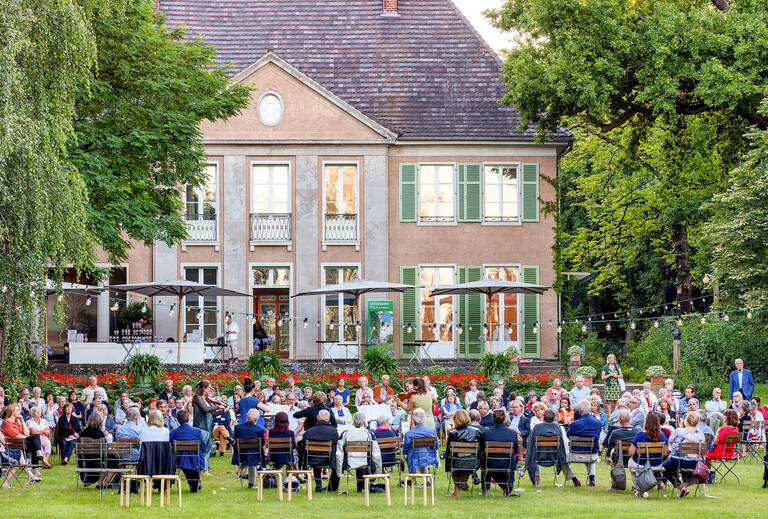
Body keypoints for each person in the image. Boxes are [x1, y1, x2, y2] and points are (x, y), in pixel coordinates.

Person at [525, 409, 577, 486]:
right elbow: (561, 445)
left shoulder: (537, 427)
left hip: (539, 457)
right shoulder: (557, 427)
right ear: (553, 418)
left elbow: (530, 444)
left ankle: (538, 482)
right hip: (554, 457)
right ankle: (573, 479)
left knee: (534, 453)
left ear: (543, 417)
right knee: (561, 456)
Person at [662, 411, 706, 498]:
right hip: (695, 462)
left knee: (663, 468)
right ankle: (684, 487)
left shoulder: (679, 431)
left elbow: (670, 444)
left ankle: (680, 486)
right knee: (684, 468)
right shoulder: (701, 433)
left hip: (678, 460)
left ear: (686, 420)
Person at [336, 412, 383, 494]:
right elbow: (376, 453)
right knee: (365, 459)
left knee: (359, 459)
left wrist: (339, 471)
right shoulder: (369, 434)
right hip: (366, 461)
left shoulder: (345, 433)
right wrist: (378, 471)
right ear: (364, 422)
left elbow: (339, 452)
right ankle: (368, 485)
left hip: (349, 462)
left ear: (353, 421)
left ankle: (360, 487)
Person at [628, 411, 668, 497]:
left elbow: (631, 452)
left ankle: (639, 488)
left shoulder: (640, 435)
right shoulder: (662, 435)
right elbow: (665, 453)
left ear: (646, 422)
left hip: (641, 463)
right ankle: (652, 484)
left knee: (630, 463)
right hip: (656, 463)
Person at [479, 409, 518, 496]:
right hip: (507, 463)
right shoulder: (512, 433)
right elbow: (515, 450)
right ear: (504, 419)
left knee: (485, 460)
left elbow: (481, 449)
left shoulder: (486, 433)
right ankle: (506, 490)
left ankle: (485, 491)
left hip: (490, 463)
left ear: (493, 419)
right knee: (511, 459)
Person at [192, 380, 227, 475]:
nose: (210, 389)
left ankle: (205, 470)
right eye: (209, 387)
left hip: (207, 427)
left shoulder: (205, 399)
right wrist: (217, 405)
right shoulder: (197, 398)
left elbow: (212, 414)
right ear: (203, 388)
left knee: (207, 448)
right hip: (200, 426)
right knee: (202, 449)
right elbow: (206, 409)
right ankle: (199, 469)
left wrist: (224, 410)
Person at [301, 409, 340, 492]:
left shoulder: (308, 432)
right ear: (329, 419)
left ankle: (318, 484)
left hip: (311, 460)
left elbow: (301, 446)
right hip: (328, 461)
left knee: (316, 456)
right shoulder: (333, 432)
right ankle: (332, 486)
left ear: (317, 418)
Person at [444, 409, 480, 498]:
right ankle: (463, 482)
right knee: (465, 463)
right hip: (473, 463)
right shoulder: (476, 431)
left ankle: (457, 491)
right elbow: (481, 449)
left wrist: (448, 467)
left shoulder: (453, 433)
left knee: (456, 464)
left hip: (457, 463)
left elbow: (449, 451)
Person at [2, 404, 49, 469]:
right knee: (35, 439)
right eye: (18, 410)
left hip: (21, 443)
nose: (20, 411)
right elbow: (18, 436)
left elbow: (27, 433)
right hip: (13, 445)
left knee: (35, 443)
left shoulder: (17, 420)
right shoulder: (6, 422)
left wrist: (22, 421)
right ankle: (39, 456)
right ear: (12, 411)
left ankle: (37, 465)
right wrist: (31, 438)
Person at [567, 400, 602, 486]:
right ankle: (592, 479)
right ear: (590, 409)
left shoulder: (575, 424)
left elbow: (568, 435)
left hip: (576, 455)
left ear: (579, 410)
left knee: (561, 459)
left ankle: (574, 480)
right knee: (590, 449)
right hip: (592, 455)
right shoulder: (598, 423)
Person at [168, 410, 204, 492]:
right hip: (195, 459)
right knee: (194, 457)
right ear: (188, 418)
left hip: (180, 459)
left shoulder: (173, 433)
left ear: (178, 420)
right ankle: (195, 483)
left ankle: (193, 484)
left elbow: (170, 447)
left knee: (186, 459)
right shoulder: (197, 431)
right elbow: (203, 447)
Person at [233, 409, 267, 488]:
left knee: (245, 450)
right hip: (254, 455)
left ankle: (240, 473)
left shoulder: (238, 427)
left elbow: (235, 439)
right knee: (253, 453)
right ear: (256, 419)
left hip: (240, 454)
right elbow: (262, 443)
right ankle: (251, 483)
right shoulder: (260, 429)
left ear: (246, 416)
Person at [402, 409, 438, 474]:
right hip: (429, 457)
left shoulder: (409, 434)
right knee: (422, 453)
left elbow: (405, 450)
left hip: (414, 459)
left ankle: (413, 480)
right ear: (424, 419)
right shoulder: (432, 431)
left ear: (413, 420)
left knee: (411, 453)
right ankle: (426, 479)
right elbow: (437, 446)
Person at [79, 412, 109, 487]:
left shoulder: (84, 432)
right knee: (113, 461)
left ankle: (101, 483)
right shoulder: (99, 433)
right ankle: (102, 483)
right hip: (98, 460)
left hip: (85, 460)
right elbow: (105, 448)